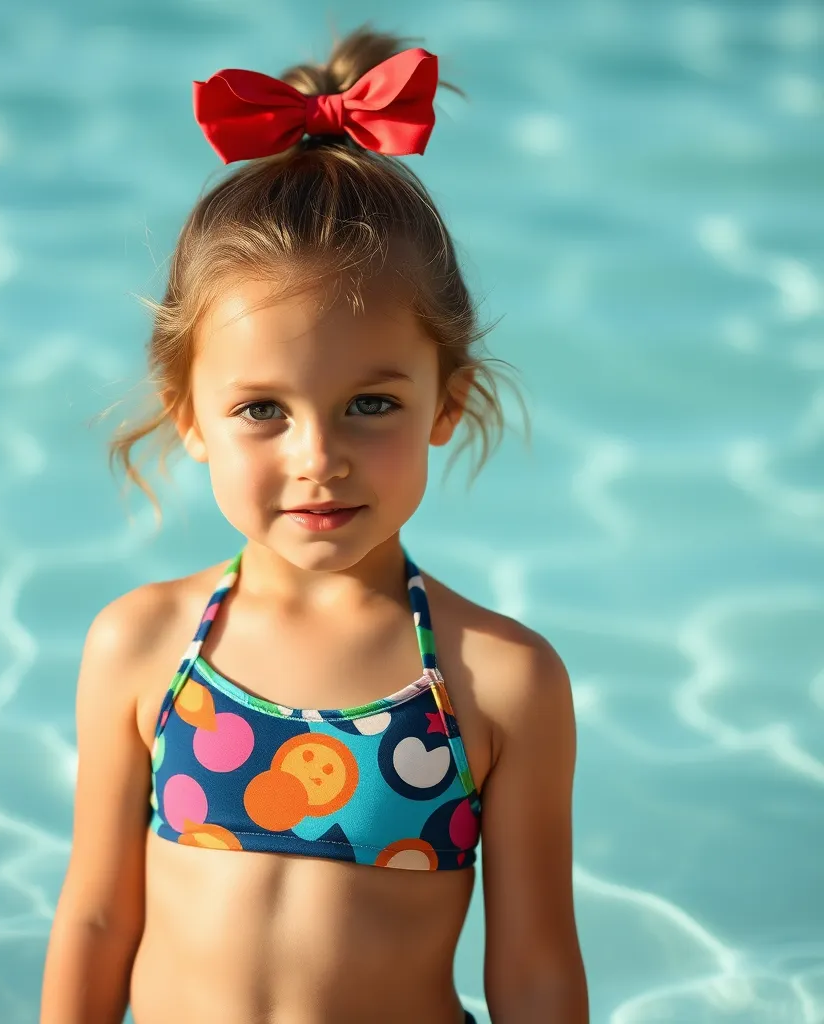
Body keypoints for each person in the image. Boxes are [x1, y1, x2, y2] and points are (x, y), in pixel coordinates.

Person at [39, 25, 588, 1024]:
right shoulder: (144, 647)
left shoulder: (498, 682)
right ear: (188, 416)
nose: (316, 456)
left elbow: (536, 973)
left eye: (370, 404)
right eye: (262, 410)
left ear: (447, 403)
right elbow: (94, 921)